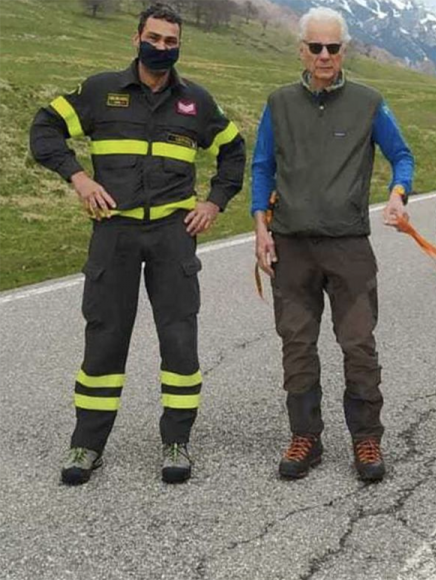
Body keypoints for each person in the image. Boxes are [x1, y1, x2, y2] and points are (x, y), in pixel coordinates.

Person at [29, 3, 245, 485]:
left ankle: (176, 442)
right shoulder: (101, 90)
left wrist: (213, 203)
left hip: (174, 234)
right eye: (154, 38)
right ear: (137, 38)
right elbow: (43, 128)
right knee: (104, 337)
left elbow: (233, 150)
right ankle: (86, 445)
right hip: (114, 232)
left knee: (179, 339)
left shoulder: (197, 102)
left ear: (179, 45)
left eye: (171, 41)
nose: (161, 47)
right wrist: (80, 179)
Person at [251, 7, 414, 481]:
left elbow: (401, 155)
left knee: (358, 345)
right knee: (297, 346)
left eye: (333, 47)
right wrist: (260, 225)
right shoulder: (278, 103)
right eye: (315, 47)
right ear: (301, 50)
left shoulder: (368, 101)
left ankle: (367, 441)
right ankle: (306, 438)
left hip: (348, 246)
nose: (324, 56)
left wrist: (398, 194)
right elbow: (262, 166)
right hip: (291, 245)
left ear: (345, 50)